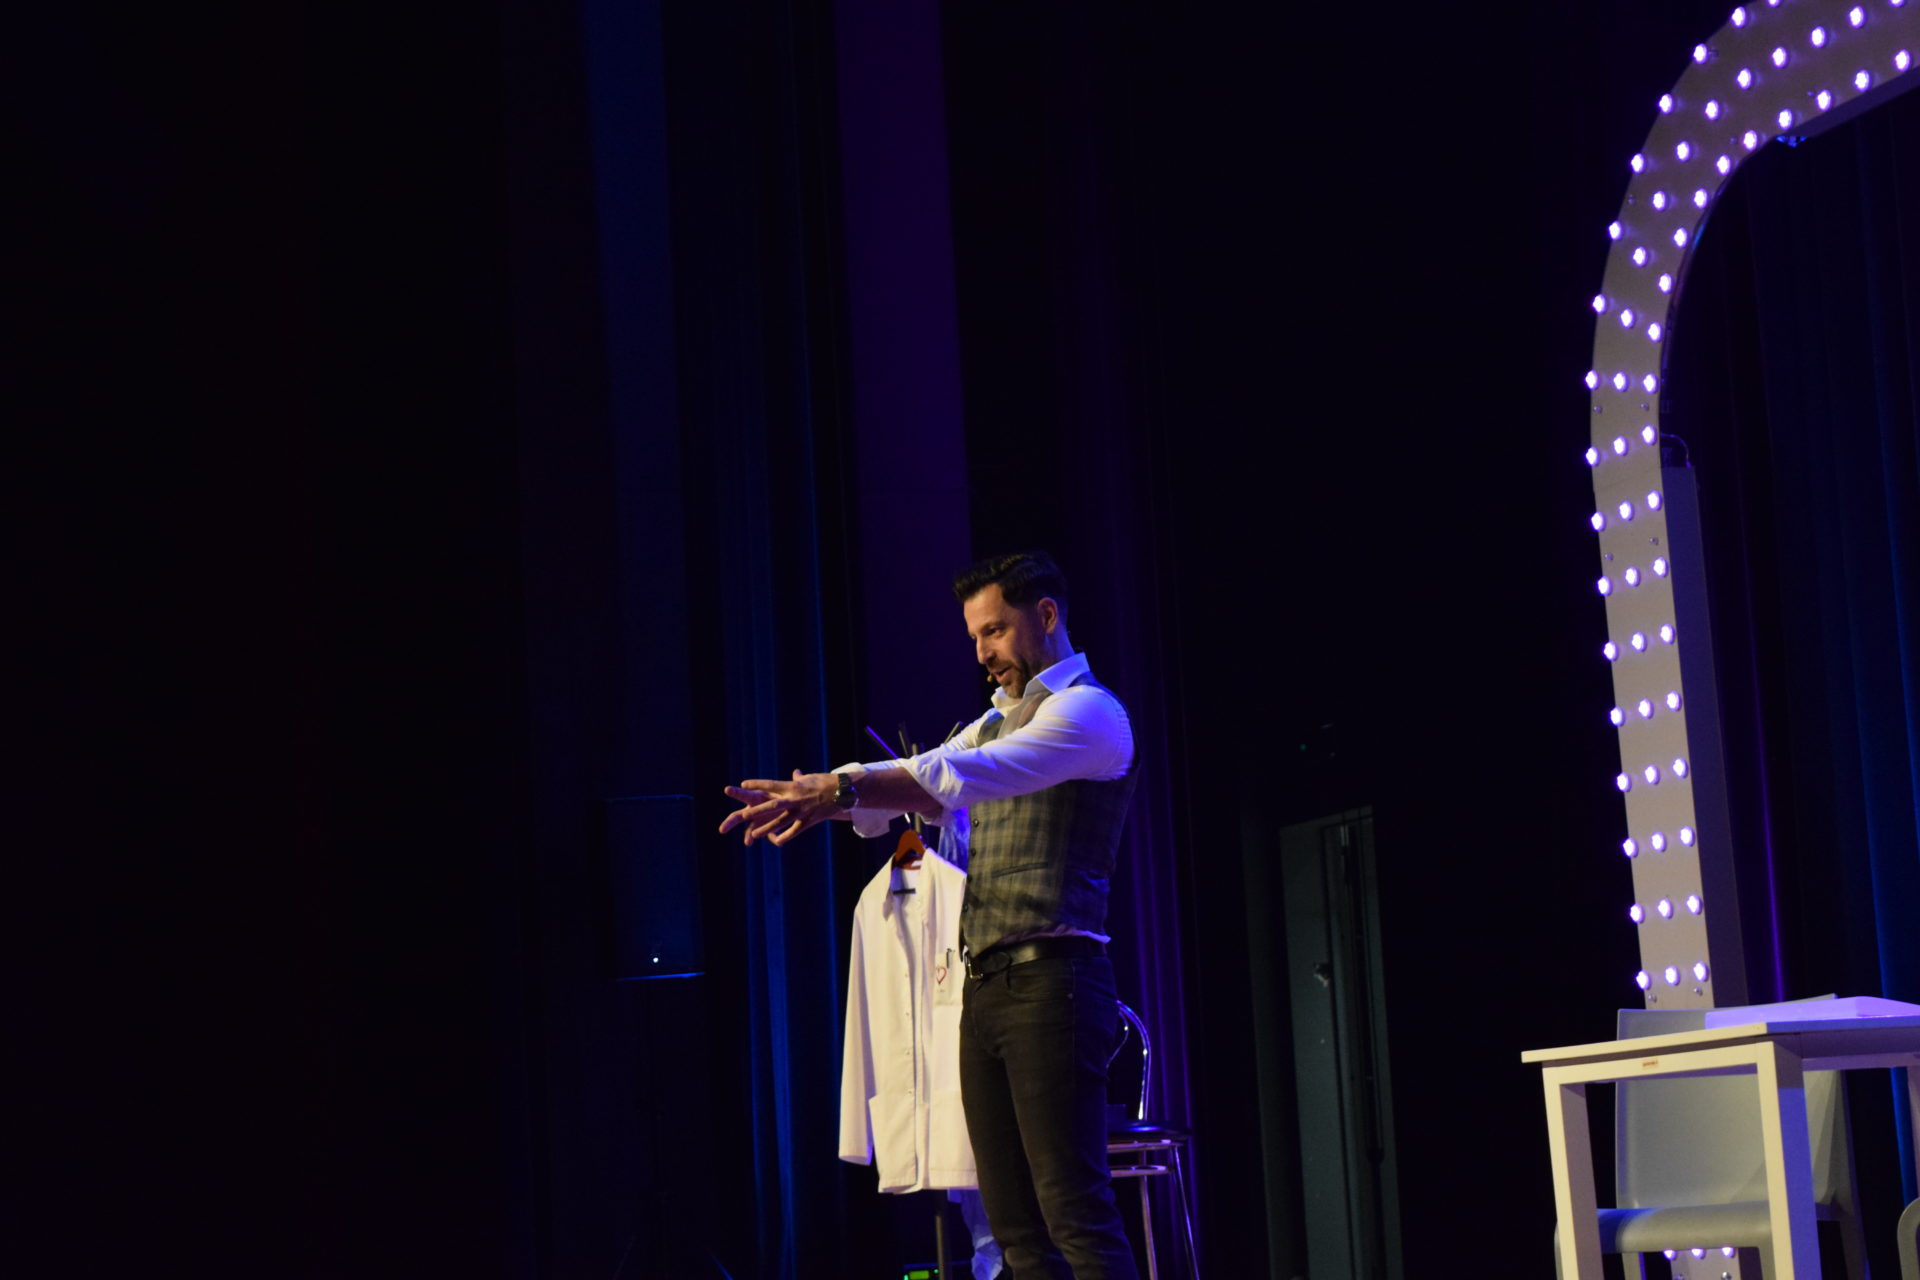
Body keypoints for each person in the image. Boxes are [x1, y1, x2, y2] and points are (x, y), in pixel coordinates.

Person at [719, 551, 1140, 1279]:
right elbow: (930, 774)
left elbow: (960, 774)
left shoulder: (1089, 713)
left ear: (1046, 615)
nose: (982, 654)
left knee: (1073, 1213)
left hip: (1056, 984)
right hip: (986, 988)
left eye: (994, 632)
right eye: (974, 637)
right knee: (1013, 1227)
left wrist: (841, 791)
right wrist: (831, 796)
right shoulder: (993, 721)